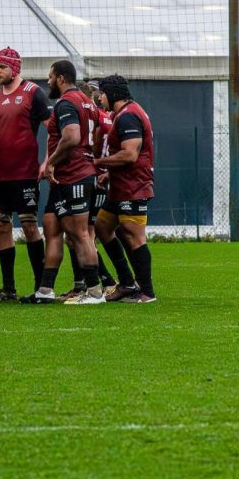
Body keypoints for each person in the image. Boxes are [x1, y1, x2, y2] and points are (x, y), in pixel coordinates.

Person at [23, 60, 103, 305]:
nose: (47, 81)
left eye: (49, 76)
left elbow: (72, 137)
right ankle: (45, 289)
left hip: (74, 176)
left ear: (59, 78)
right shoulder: (88, 102)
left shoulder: (67, 102)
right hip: (67, 178)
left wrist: (50, 163)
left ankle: (95, 292)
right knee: (52, 229)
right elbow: (95, 135)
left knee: (80, 235)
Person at [0, 47, 52, 301]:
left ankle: (40, 286)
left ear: (15, 68)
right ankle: (8, 288)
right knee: (3, 226)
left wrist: (47, 162)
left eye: (2, 67)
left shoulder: (33, 93)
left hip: (24, 173)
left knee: (29, 226)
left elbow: (52, 129)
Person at [94, 74, 157, 303]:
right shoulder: (126, 112)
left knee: (134, 236)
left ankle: (147, 293)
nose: (100, 98)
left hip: (134, 186)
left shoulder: (129, 115)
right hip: (121, 186)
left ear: (111, 94)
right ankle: (128, 283)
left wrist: (99, 163)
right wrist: (109, 174)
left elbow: (130, 154)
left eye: (102, 93)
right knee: (102, 226)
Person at [57, 79, 117, 301]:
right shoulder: (103, 115)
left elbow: (92, 145)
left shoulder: (96, 116)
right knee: (80, 236)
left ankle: (103, 283)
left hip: (91, 175)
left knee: (84, 235)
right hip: (97, 176)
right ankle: (86, 285)